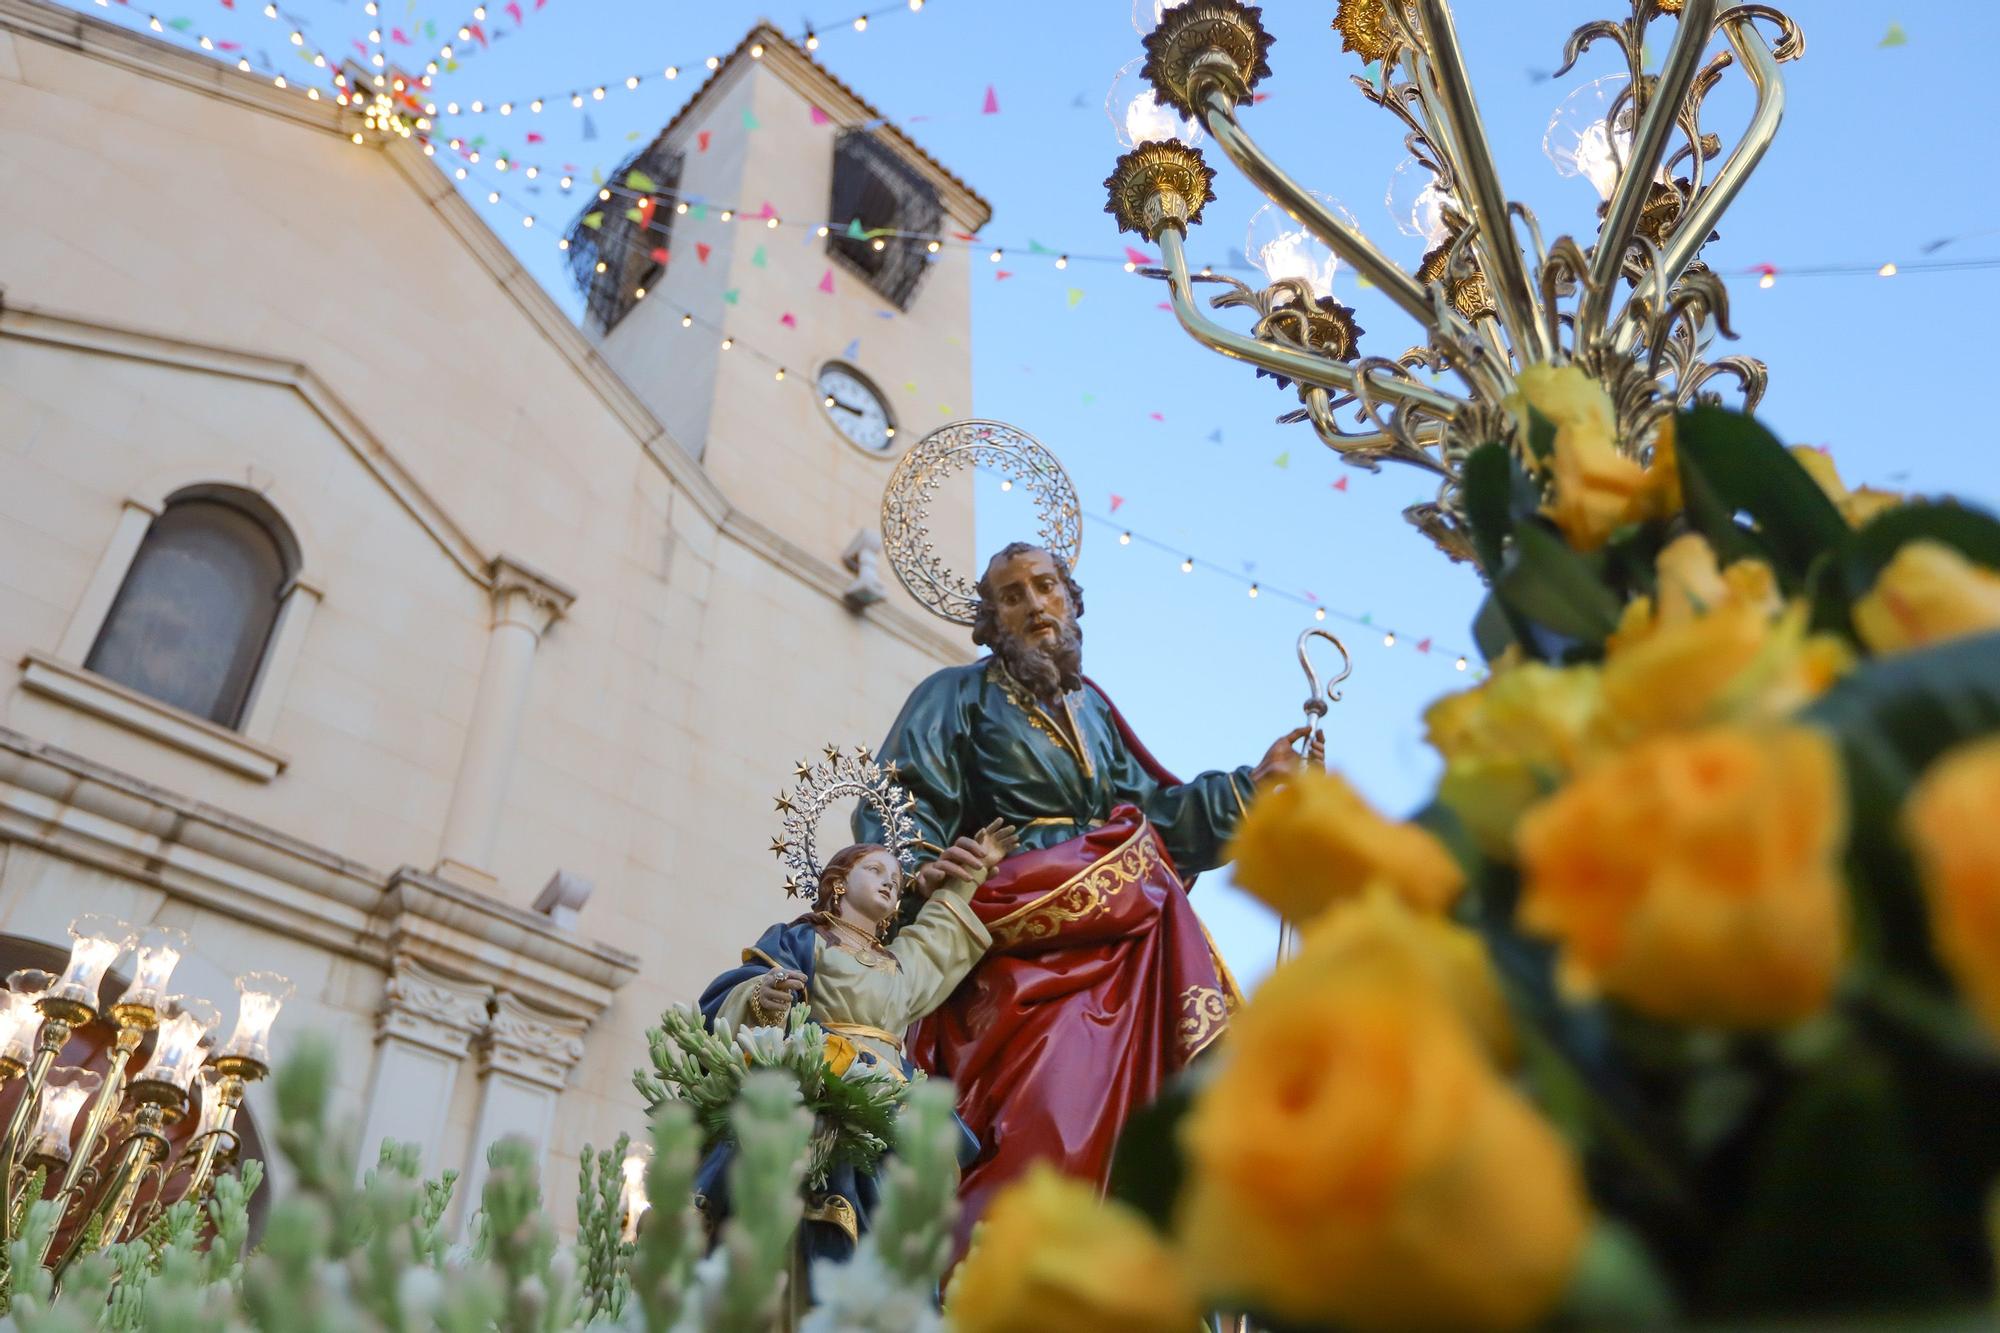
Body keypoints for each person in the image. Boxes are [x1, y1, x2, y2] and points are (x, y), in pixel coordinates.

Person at [855, 540, 1321, 1257]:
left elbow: (1155, 814)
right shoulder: (956, 696)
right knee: (1046, 1122)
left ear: (1071, 600)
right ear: (990, 619)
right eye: (1012, 594)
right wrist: (917, 869)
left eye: (1046, 585)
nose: (1035, 603)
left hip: (1124, 948)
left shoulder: (1092, 710)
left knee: (1137, 1135)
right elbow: (900, 802)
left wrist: (1249, 789)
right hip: (1017, 949)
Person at [695, 822, 1015, 1273]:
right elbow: (746, 988)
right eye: (875, 869)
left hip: (893, 1101)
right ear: (839, 882)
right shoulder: (805, 940)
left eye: (896, 877)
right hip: (825, 1084)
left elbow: (938, 938)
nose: (890, 880)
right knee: (823, 1194)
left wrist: (972, 873)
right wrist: (765, 997)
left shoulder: (896, 964)